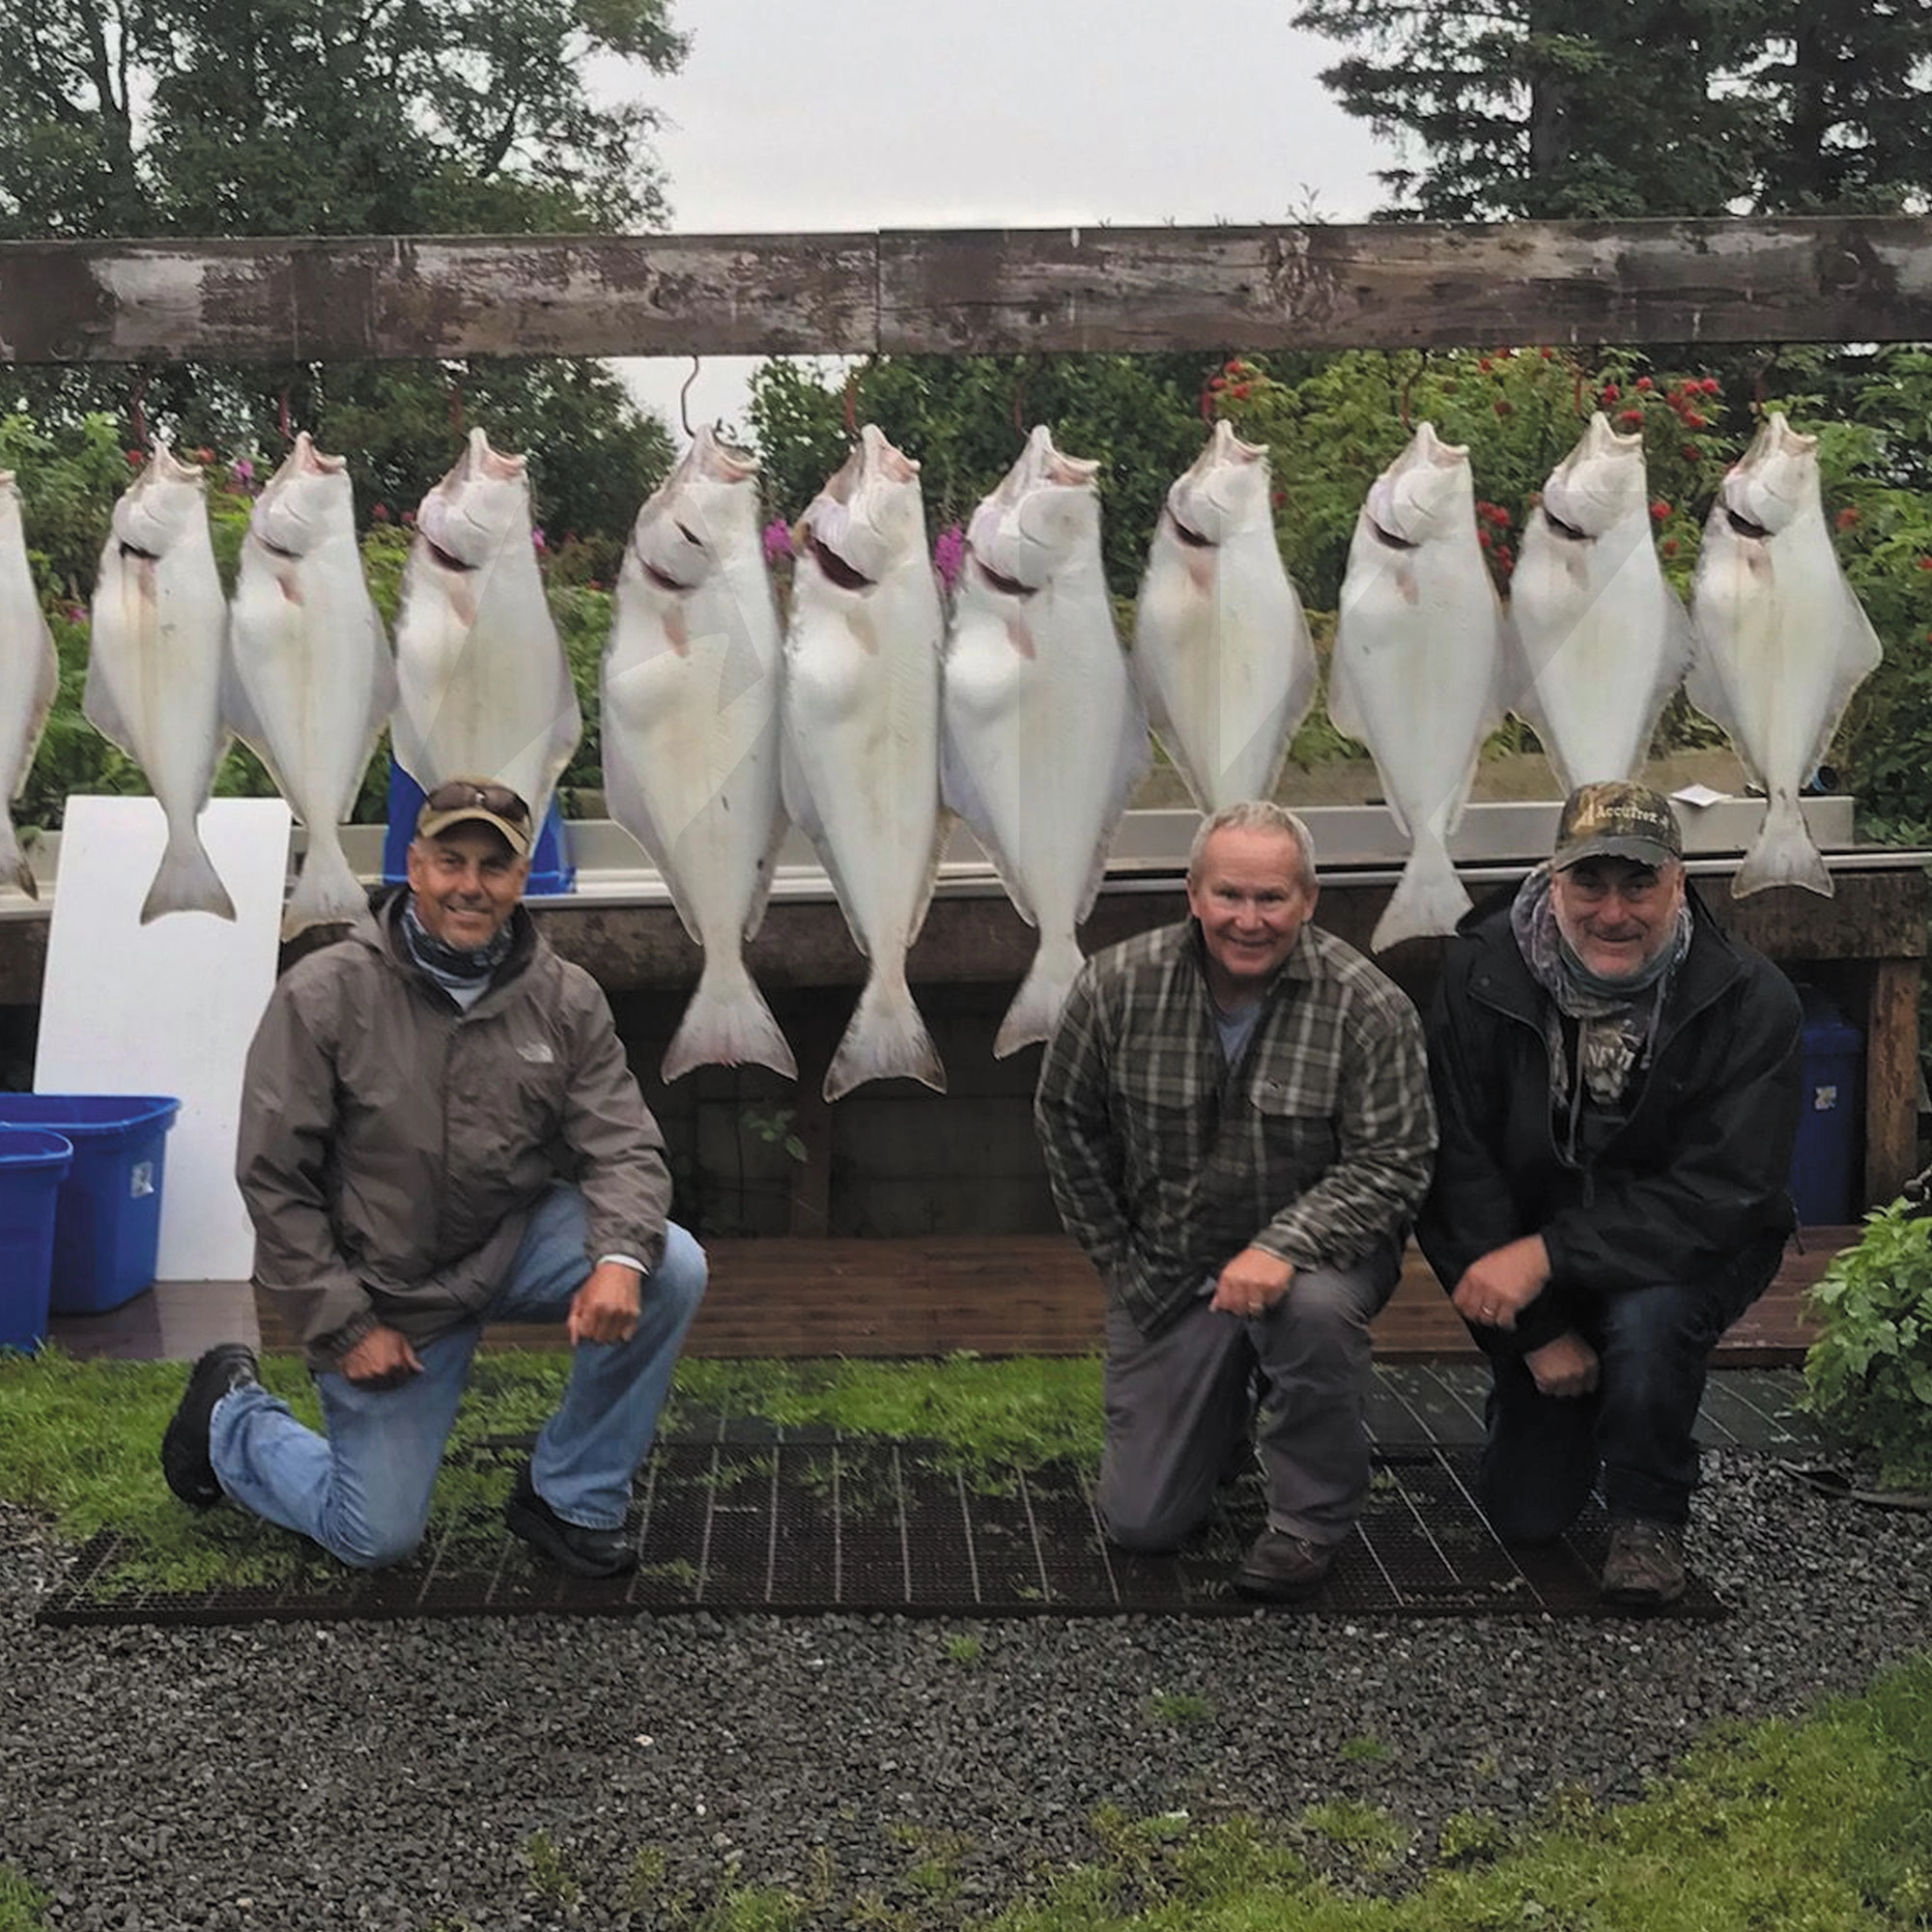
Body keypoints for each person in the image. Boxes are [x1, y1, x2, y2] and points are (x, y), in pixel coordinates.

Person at [161, 777, 707, 1577]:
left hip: (509, 1240)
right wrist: (345, 1326)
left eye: (493, 867)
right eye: (450, 860)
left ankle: (571, 1496)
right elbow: (274, 1182)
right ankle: (229, 1420)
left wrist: (619, 1262)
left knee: (671, 1265)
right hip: (387, 1286)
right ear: (414, 867)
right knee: (374, 1537)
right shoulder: (323, 995)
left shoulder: (566, 999)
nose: (469, 886)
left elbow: (623, 1145)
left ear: (521, 882)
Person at [1034, 800, 1436, 1602]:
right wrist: (1121, 1263)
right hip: (1172, 1260)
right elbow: (1067, 1125)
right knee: (1143, 1525)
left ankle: (1307, 1523)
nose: (1248, 920)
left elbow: (1395, 1161)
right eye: (1229, 895)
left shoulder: (1371, 1006)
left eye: (1271, 898)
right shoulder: (1113, 987)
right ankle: (1216, 1416)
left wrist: (1282, 1247)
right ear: (1193, 893)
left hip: (1324, 1259)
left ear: (1309, 900)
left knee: (1310, 1316)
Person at [1419, 781, 1802, 1606]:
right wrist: (1537, 1331)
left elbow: (1726, 1190)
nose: (1614, 911)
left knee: (1650, 1317)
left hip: (1690, 1249)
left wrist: (1548, 1254)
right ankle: (1561, 1398)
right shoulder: (1478, 975)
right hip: (1539, 1257)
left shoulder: (1750, 995)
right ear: (1552, 879)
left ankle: (1647, 1513)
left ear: (1679, 880)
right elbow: (1457, 1166)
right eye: (1590, 883)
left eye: (1639, 884)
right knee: (1527, 1513)